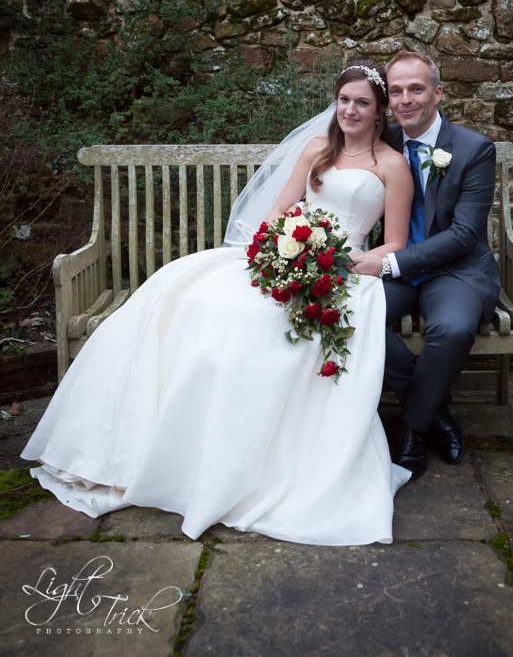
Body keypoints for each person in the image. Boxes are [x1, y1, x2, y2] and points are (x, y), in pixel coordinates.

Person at [22, 60, 415, 546]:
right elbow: (279, 208)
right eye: (344, 100)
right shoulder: (316, 149)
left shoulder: (391, 166)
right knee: (190, 295)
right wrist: (277, 247)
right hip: (286, 255)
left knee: (258, 325)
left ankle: (243, 464)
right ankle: (163, 450)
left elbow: (395, 243)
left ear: (379, 113)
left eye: (363, 103)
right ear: (334, 104)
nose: (351, 110)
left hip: (341, 272)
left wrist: (340, 260)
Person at [353, 51, 500, 480]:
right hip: (392, 264)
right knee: (348, 317)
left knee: (451, 328)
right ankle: (435, 414)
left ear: (437, 92)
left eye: (416, 89)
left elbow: (463, 235)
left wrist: (390, 263)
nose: (405, 99)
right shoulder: (381, 142)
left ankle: (412, 429)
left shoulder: (473, 149)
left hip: (455, 269)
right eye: (395, 91)